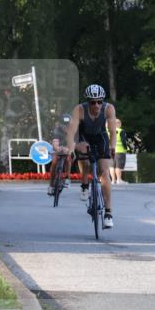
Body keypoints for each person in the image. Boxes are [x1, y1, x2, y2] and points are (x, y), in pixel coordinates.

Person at [60, 84, 118, 229]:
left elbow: (112, 131)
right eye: (93, 102)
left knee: (104, 172)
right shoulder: (80, 109)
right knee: (85, 161)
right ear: (88, 102)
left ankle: (108, 213)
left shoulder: (108, 108)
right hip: (84, 136)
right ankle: (85, 185)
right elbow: (72, 132)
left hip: (100, 137)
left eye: (99, 101)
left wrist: (112, 147)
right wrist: (72, 148)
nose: (96, 105)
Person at [47, 113, 74, 196]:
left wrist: (69, 149)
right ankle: (51, 185)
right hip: (58, 147)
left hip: (67, 147)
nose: (66, 127)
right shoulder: (57, 130)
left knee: (69, 158)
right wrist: (58, 149)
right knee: (54, 162)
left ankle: (67, 178)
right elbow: (55, 144)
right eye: (64, 125)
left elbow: (73, 144)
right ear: (60, 124)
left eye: (67, 125)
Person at [110, 118, 129, 185]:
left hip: (110, 150)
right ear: (117, 124)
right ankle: (119, 180)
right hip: (119, 151)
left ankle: (113, 180)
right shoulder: (121, 131)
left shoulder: (109, 131)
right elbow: (123, 141)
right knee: (119, 166)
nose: (121, 124)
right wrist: (126, 149)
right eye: (120, 123)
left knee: (112, 166)